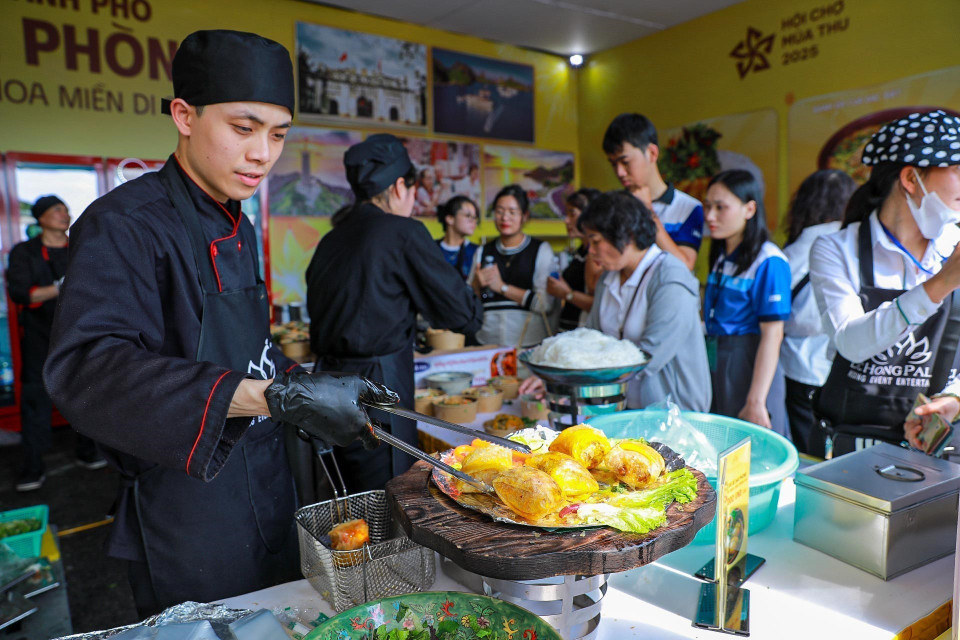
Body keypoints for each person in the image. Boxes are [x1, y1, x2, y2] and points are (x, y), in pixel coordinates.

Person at [42, 30, 397, 616]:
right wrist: (270, 398)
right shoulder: (124, 225)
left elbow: (247, 349)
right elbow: (88, 369)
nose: (263, 154)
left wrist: (302, 384)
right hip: (188, 507)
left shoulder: (239, 223)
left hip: (266, 483)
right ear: (184, 115)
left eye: (278, 134)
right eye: (243, 128)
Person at [306, 134, 483, 492]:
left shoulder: (331, 239)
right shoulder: (403, 233)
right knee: (389, 497)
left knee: (347, 497)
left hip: (325, 392)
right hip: (378, 394)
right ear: (400, 186)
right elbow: (463, 315)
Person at [810, 110, 960, 456]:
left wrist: (953, 399)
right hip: (848, 447)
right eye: (956, 168)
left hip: (932, 447)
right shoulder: (836, 249)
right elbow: (850, 342)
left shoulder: (954, 245)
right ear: (910, 178)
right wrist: (940, 284)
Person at [522, 192, 711, 410]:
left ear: (627, 235)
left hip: (672, 412)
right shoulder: (608, 278)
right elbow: (589, 338)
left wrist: (566, 375)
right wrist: (554, 371)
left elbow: (649, 358)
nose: (591, 251)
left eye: (595, 241)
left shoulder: (671, 278)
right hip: (622, 407)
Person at [6, 195, 105, 491]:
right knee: (36, 401)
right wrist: (61, 287)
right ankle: (33, 467)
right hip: (40, 337)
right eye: (57, 210)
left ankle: (88, 451)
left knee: (87, 395)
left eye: (66, 209)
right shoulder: (25, 252)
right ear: (41, 218)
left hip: (81, 335)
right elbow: (22, 293)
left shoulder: (82, 247)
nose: (65, 214)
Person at [704, 170, 791, 436]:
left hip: (749, 362)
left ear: (749, 209)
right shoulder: (722, 254)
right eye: (708, 206)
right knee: (722, 442)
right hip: (717, 356)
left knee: (756, 445)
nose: (710, 216)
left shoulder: (769, 260)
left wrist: (756, 400)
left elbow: (773, 334)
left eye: (721, 207)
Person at [780, 170, 857, 452]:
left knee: (805, 447)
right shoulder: (857, 247)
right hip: (846, 367)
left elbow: (788, 319)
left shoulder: (792, 254)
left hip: (799, 365)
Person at [603, 113, 704, 270]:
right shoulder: (614, 207)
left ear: (652, 153)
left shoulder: (688, 207)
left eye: (625, 162)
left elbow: (684, 266)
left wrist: (647, 212)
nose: (620, 172)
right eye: (613, 164)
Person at [472, 185, 556, 347]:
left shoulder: (540, 250)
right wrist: (476, 285)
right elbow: (469, 301)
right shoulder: (482, 251)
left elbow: (545, 304)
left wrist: (502, 287)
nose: (505, 217)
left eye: (512, 212)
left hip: (529, 344)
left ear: (525, 216)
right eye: (499, 211)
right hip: (487, 343)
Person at [548, 188, 603, 331]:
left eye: (572, 214)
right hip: (569, 329)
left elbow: (600, 305)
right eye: (566, 214)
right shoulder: (580, 251)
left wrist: (567, 294)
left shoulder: (597, 255)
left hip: (584, 333)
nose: (566, 220)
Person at [436, 195, 479, 281]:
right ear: (450, 219)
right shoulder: (431, 248)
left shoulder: (477, 251)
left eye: (474, 217)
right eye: (468, 216)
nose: (473, 221)